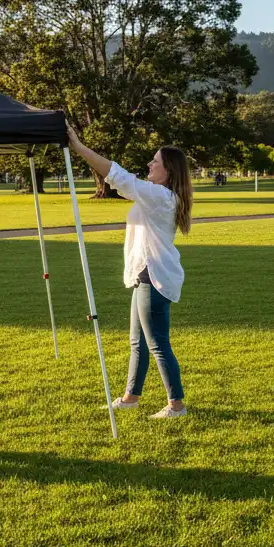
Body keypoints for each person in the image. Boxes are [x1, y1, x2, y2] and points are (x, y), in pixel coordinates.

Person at [66, 125, 193, 419]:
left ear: (168, 171)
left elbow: (118, 176)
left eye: (155, 161)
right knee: (138, 341)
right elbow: (121, 181)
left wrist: (79, 147)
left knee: (158, 343)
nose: (149, 164)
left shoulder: (160, 196)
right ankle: (130, 397)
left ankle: (177, 405)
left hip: (154, 277)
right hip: (144, 274)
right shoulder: (157, 196)